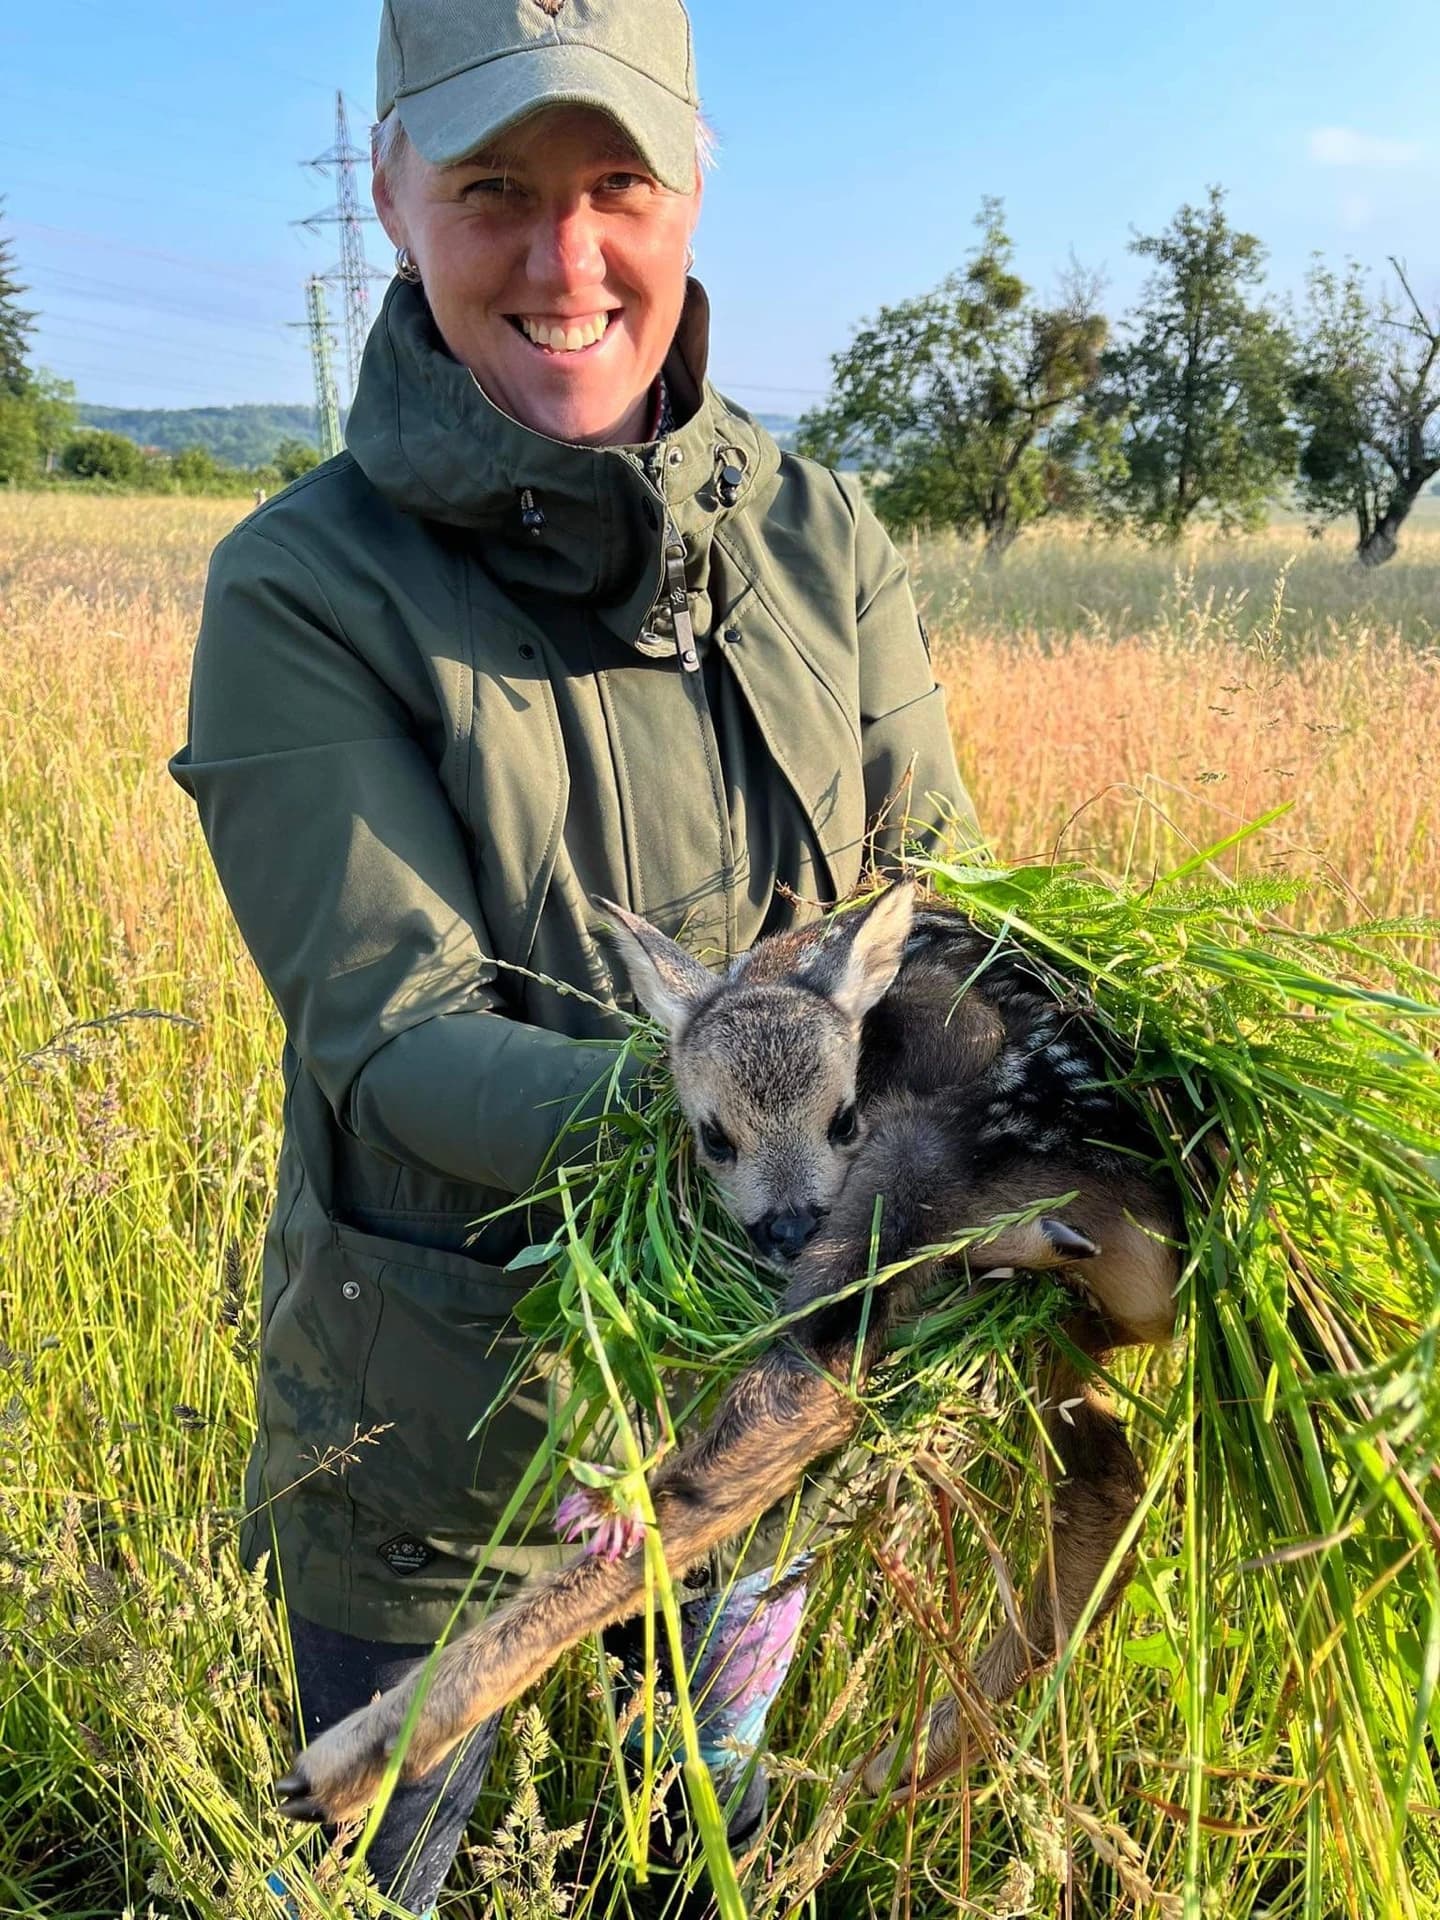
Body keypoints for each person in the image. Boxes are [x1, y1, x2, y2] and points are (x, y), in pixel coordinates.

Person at [169, 0, 975, 1909]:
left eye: (617, 181)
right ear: (391, 195)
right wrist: (709, 1117)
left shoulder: (821, 536)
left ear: (695, 185)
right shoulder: (303, 588)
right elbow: (392, 1030)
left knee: (705, 1831)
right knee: (390, 1859)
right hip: (438, 1435)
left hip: (763, 1399)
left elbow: (935, 893)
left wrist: (964, 1128)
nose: (567, 257)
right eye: (492, 191)